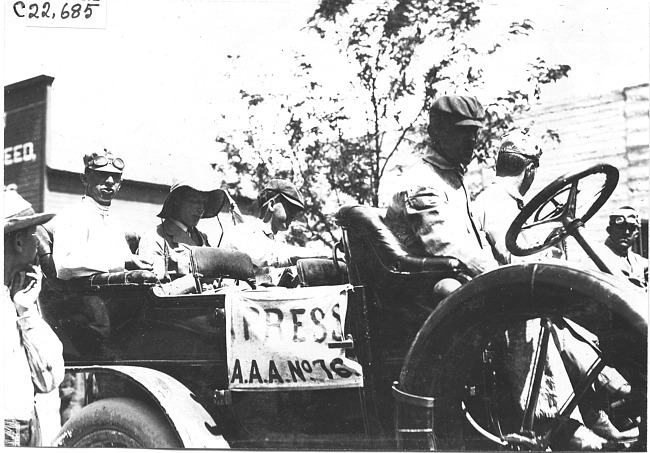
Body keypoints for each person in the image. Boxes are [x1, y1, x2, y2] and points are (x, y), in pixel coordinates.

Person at [473, 132, 637, 449]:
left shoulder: (513, 204)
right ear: (531, 168)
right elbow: (516, 257)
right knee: (543, 321)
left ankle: (609, 404)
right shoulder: (494, 202)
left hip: (525, 296)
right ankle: (558, 425)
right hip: (508, 305)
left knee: (578, 321)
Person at [384, 94, 498, 296]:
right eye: (461, 131)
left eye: (474, 131)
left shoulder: (449, 177)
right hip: (420, 294)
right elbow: (449, 247)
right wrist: (504, 279)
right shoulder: (422, 184)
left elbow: (477, 241)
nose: (471, 139)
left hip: (455, 278)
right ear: (435, 133)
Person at [4, 189, 65, 446]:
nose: (39, 243)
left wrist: (26, 310)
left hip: (26, 429)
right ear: (18, 242)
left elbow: (50, 378)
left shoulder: (21, 297)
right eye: (33, 234)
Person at [50, 149, 153, 279]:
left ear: (120, 184)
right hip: (82, 295)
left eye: (115, 177)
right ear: (84, 179)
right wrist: (123, 262)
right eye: (102, 174)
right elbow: (64, 266)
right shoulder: (72, 215)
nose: (110, 181)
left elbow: (123, 259)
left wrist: (135, 260)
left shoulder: (114, 221)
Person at [224, 179, 327, 286]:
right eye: (290, 208)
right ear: (272, 205)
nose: (294, 215)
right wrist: (325, 254)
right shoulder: (242, 232)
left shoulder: (278, 242)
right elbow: (269, 256)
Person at [138, 177, 229, 280]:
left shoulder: (202, 238)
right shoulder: (155, 238)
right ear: (177, 201)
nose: (201, 208)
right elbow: (154, 285)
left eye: (204, 202)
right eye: (194, 201)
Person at [601, 206, 647, 288]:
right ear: (609, 230)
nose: (626, 232)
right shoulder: (598, 257)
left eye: (631, 228)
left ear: (636, 234)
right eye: (620, 228)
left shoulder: (638, 261)